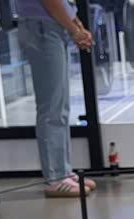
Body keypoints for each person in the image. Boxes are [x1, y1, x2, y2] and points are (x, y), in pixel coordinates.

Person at [18, 0, 98, 197]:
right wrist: (74, 30)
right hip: (43, 28)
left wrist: (77, 25)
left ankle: (63, 171)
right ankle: (55, 178)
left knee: (60, 106)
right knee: (52, 107)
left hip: (52, 26)